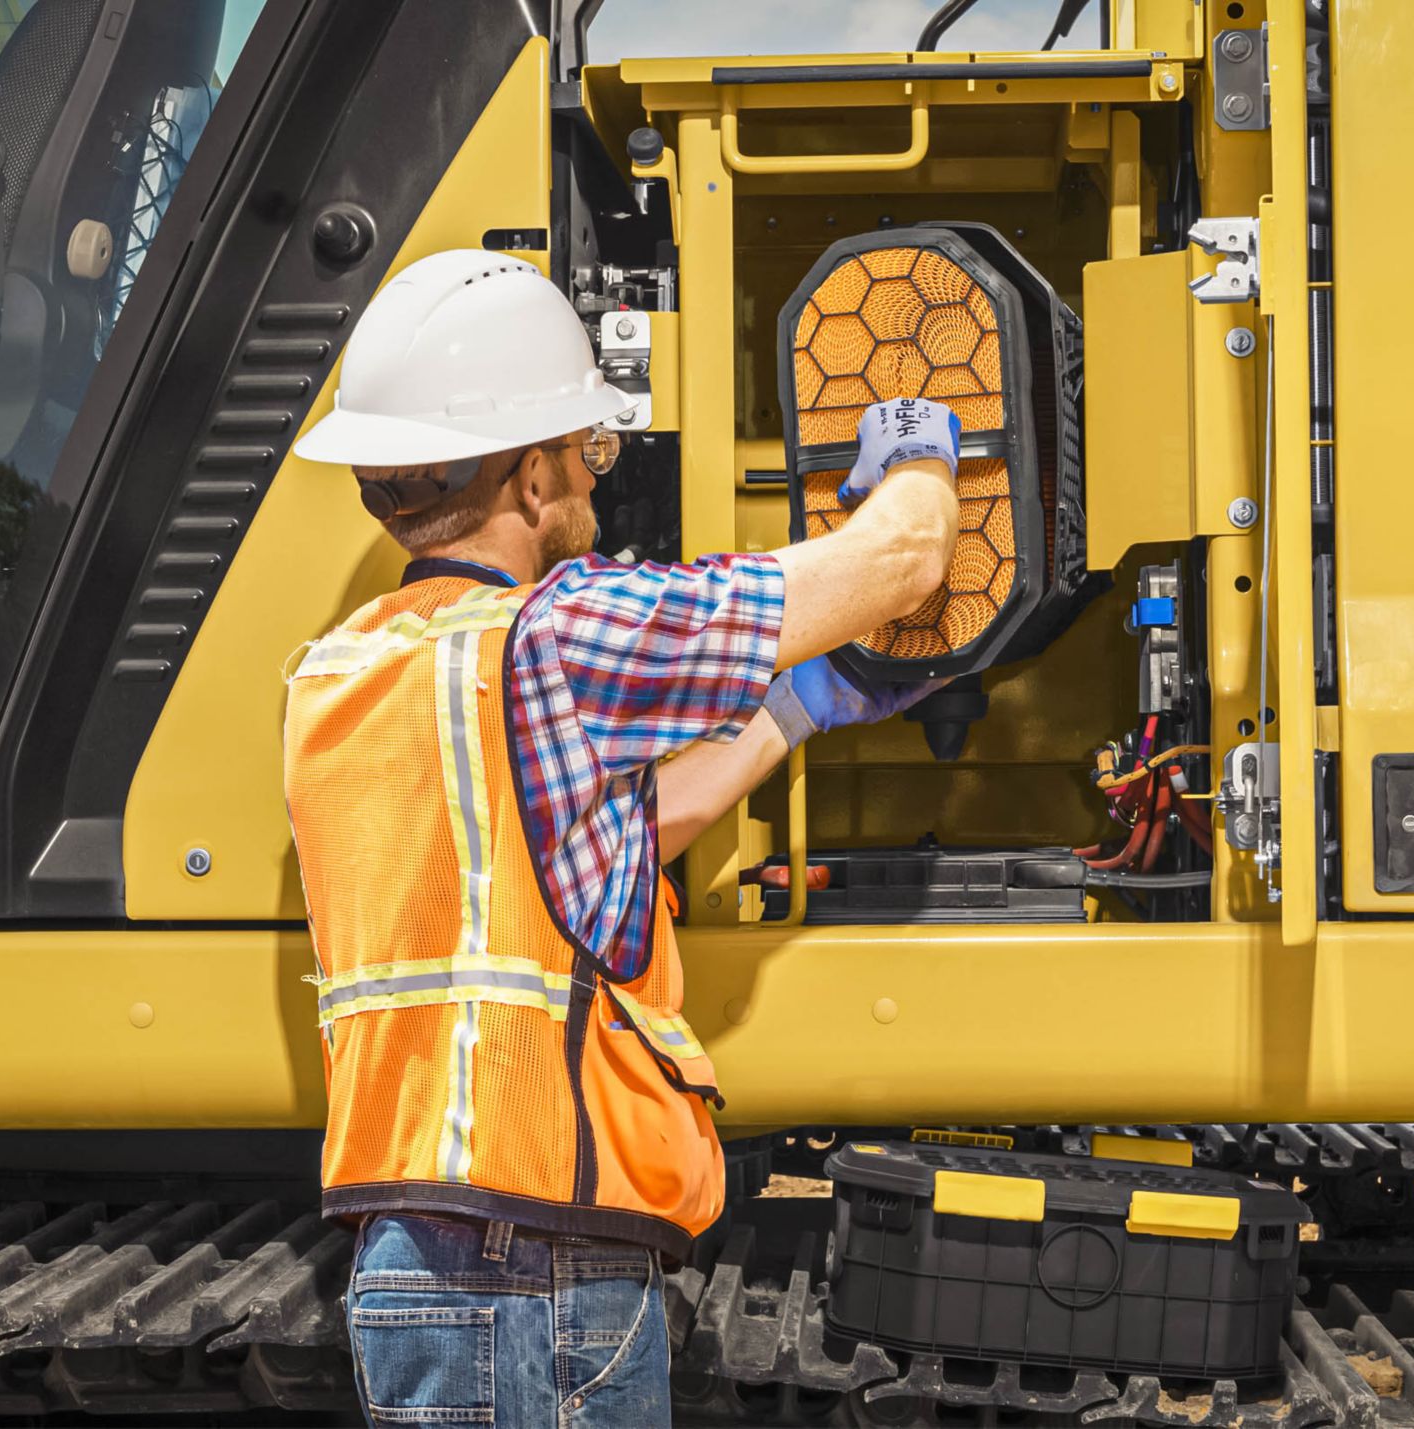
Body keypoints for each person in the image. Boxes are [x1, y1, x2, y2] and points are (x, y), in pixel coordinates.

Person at [283, 248, 961, 1426]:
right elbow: (901, 561)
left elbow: (593, 838)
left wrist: (790, 713)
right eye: (589, 451)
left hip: (416, 1249)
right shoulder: (556, 636)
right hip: (532, 1262)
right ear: (532, 475)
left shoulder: (346, 671)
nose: (598, 481)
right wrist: (918, 454)